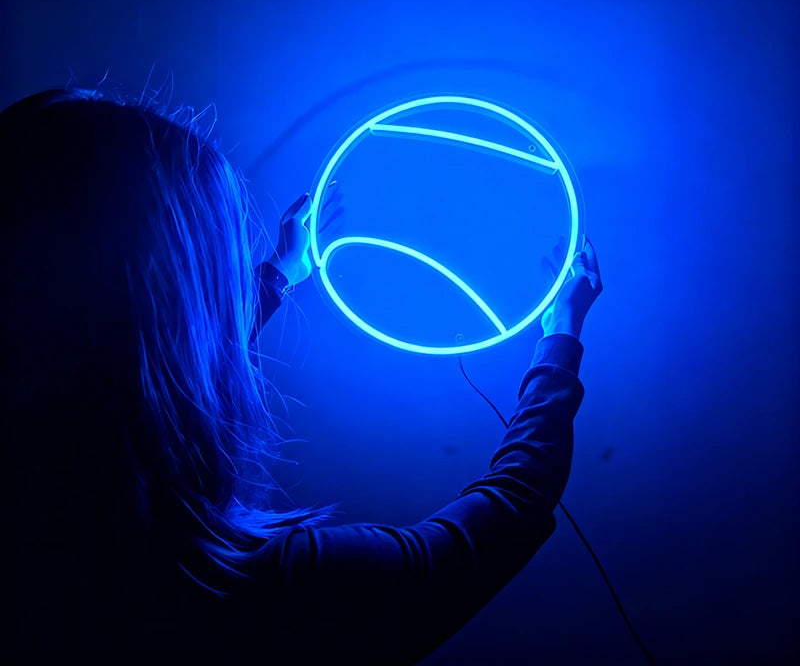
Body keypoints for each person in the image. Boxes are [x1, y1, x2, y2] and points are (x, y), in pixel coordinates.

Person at [3, 87, 603, 664]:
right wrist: (561, 335)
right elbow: (505, 517)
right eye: (217, 276)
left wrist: (276, 277)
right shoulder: (258, 593)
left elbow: (125, 355)